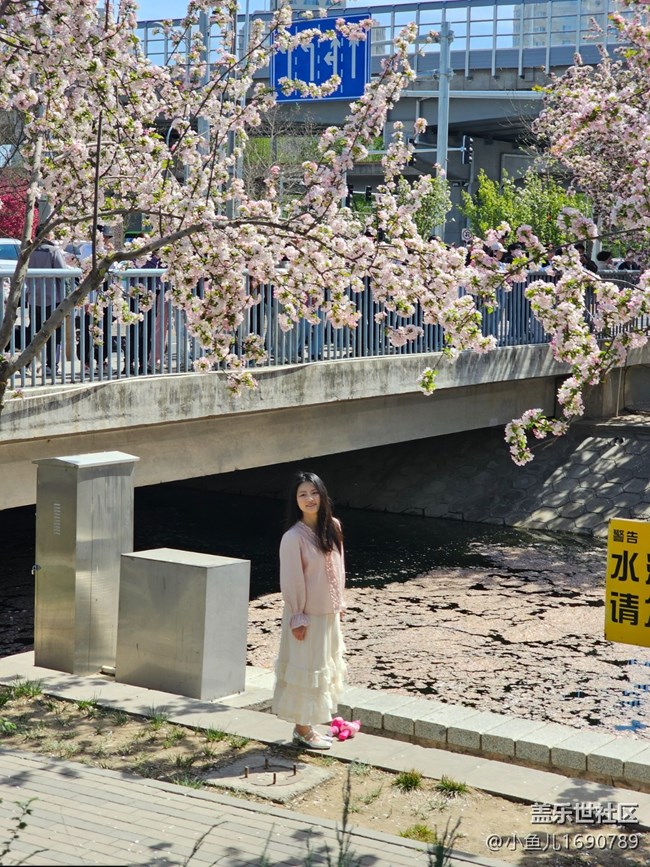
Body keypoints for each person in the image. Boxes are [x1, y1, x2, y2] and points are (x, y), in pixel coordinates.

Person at [272, 471, 347, 750]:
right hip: (307, 617)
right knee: (306, 669)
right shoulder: (293, 538)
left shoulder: (334, 527)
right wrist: (298, 617)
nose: (309, 499)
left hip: (328, 614)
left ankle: (309, 727)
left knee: (323, 668)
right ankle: (303, 730)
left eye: (313, 493)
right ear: (295, 501)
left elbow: (339, 569)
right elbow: (292, 581)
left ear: (322, 495)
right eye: (302, 494)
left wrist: (339, 603)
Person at [27, 235, 68, 375]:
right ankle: (52, 365)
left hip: (34, 298)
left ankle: (26, 363)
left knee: (35, 331)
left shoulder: (30, 251)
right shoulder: (53, 251)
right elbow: (62, 273)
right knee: (54, 332)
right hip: (52, 298)